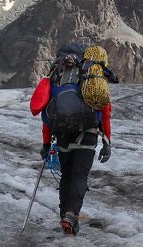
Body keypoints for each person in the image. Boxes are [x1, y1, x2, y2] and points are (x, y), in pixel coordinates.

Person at [30, 42, 112, 236]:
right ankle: (71, 215)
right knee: (79, 175)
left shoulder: (55, 77)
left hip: (62, 135)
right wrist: (107, 141)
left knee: (66, 175)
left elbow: (47, 116)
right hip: (88, 133)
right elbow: (105, 110)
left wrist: (45, 143)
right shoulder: (89, 75)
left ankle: (64, 217)